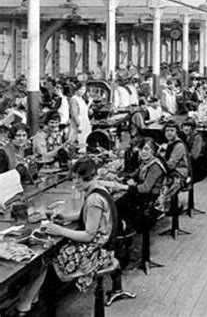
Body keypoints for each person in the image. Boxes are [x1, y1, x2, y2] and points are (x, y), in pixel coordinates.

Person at [15, 157, 115, 315]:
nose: (75, 183)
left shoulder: (94, 199)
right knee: (49, 250)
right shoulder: (99, 189)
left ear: (88, 177)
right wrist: (66, 216)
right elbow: (87, 215)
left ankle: (31, 304)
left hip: (97, 252)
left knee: (46, 256)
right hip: (102, 245)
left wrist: (59, 230)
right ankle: (31, 298)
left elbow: (89, 235)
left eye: (78, 179)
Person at [181, 117, 207, 184]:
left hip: (200, 167)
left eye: (188, 126)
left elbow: (194, 156)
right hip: (191, 163)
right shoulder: (185, 136)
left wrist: (181, 153)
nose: (186, 128)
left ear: (193, 127)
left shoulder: (197, 137)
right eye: (184, 126)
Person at [69, 82, 92, 153]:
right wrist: (79, 125)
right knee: (79, 141)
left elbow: (85, 111)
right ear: (76, 89)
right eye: (80, 89)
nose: (82, 91)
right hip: (79, 122)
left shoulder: (81, 99)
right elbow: (74, 113)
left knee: (86, 140)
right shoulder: (74, 99)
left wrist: (89, 104)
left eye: (84, 90)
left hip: (85, 121)